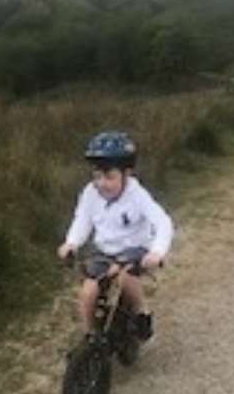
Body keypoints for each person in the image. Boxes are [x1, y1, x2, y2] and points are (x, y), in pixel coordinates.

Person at [56, 130, 175, 340]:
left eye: (110, 177)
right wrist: (71, 243)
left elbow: (163, 222)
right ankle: (90, 335)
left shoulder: (137, 195)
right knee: (88, 291)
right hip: (105, 252)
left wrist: (157, 252)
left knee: (124, 275)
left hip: (135, 250)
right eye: (97, 177)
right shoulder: (90, 193)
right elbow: (82, 220)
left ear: (126, 174)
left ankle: (141, 313)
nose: (103, 183)